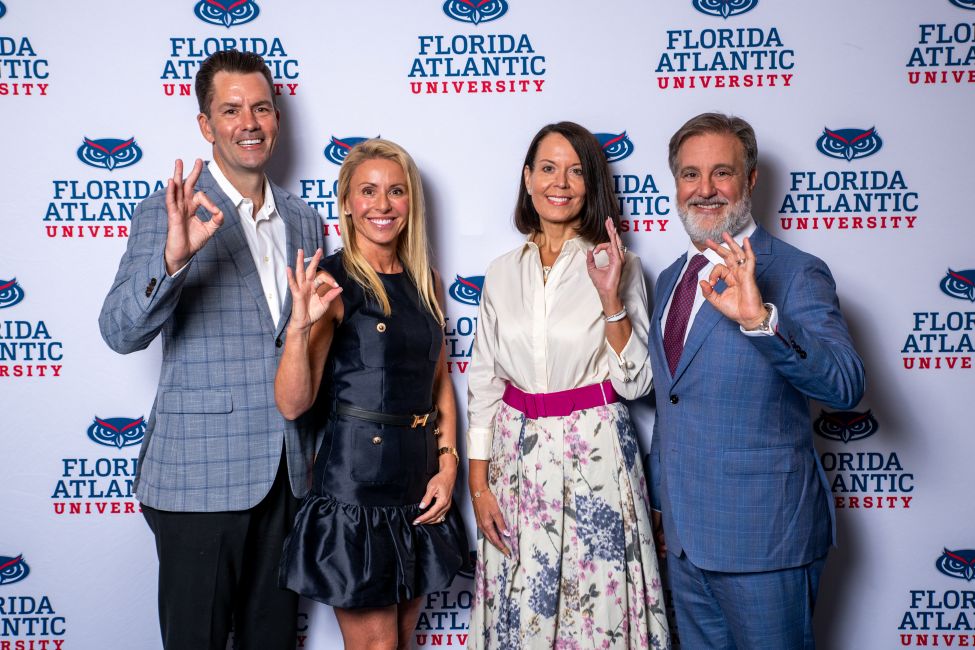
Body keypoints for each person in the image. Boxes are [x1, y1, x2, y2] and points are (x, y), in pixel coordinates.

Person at [98, 50, 325, 649]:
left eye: (261, 108)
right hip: (199, 476)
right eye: (230, 110)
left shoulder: (303, 220)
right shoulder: (170, 211)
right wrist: (173, 259)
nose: (249, 122)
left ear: (277, 119)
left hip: (286, 476)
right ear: (206, 125)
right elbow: (120, 332)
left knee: (272, 640)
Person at [647, 112, 866, 649]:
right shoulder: (673, 276)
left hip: (766, 541)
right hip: (684, 542)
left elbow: (844, 386)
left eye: (722, 173)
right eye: (690, 174)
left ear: (749, 180)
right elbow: (676, 402)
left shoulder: (794, 272)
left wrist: (760, 320)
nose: (705, 189)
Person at [466, 122, 670, 649]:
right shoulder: (501, 271)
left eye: (576, 170)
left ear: (592, 183)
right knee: (520, 604)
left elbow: (637, 382)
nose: (561, 182)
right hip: (516, 460)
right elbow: (485, 382)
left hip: (595, 454)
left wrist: (609, 299)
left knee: (596, 607)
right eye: (549, 168)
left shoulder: (621, 266)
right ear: (528, 178)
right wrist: (478, 483)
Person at [276, 138, 469, 649]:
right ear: (347, 203)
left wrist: (448, 466)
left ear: (412, 202)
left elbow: (439, 383)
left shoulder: (426, 281)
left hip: (417, 487)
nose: (382, 205)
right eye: (368, 191)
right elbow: (293, 403)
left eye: (396, 191)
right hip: (355, 490)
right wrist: (299, 328)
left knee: (401, 643)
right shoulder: (330, 282)